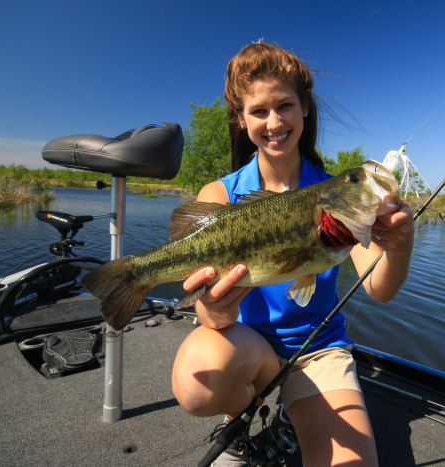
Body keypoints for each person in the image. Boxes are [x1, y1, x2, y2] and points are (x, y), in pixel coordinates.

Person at [171, 42, 415, 466]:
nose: (274, 121)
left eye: (285, 105)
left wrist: (400, 247)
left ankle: (288, 419)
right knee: (196, 382)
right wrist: (215, 309)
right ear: (240, 118)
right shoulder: (218, 195)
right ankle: (242, 422)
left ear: (304, 107)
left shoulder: (335, 196)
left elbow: (378, 288)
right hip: (249, 346)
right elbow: (211, 319)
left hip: (318, 348)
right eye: (259, 111)